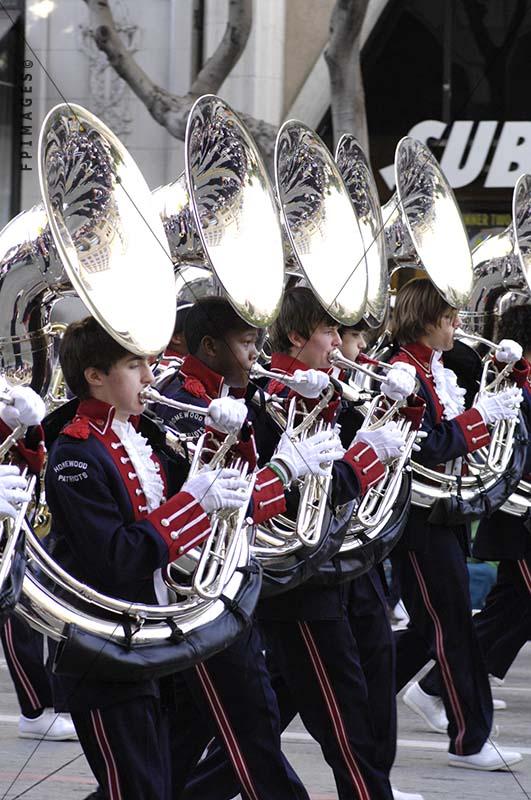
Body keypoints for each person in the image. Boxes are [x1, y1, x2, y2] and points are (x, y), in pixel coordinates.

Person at [44, 316, 266, 800]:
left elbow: (226, 490)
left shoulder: (140, 435)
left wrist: (231, 434)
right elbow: (118, 558)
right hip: (103, 652)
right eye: (133, 365)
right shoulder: (76, 454)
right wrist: (193, 505)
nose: (149, 377)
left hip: (148, 641)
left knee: (154, 784)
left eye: (146, 363)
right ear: (95, 377)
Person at [390, 277, 523, 771]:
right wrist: (478, 419)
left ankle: (362, 695)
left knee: (430, 630)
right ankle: (470, 739)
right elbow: (425, 445)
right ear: (427, 321)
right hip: (421, 520)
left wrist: (489, 412)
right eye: (449, 319)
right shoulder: (403, 370)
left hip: (441, 512)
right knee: (453, 627)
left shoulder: (433, 367)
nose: (457, 326)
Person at [0, 383, 78, 742]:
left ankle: (46, 703)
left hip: (16, 506)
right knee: (17, 608)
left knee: (34, 601)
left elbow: (30, 458)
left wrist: (25, 427)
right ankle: (35, 708)